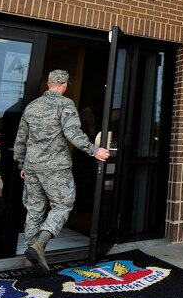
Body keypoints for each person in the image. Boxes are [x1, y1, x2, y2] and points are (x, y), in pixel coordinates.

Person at [13, 69, 110, 274]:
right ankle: (40, 244)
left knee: (34, 209)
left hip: (32, 167)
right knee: (63, 203)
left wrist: (22, 164)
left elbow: (21, 138)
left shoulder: (32, 106)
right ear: (64, 84)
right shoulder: (65, 104)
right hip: (55, 167)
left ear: (49, 84)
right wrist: (94, 150)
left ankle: (30, 261)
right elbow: (72, 133)